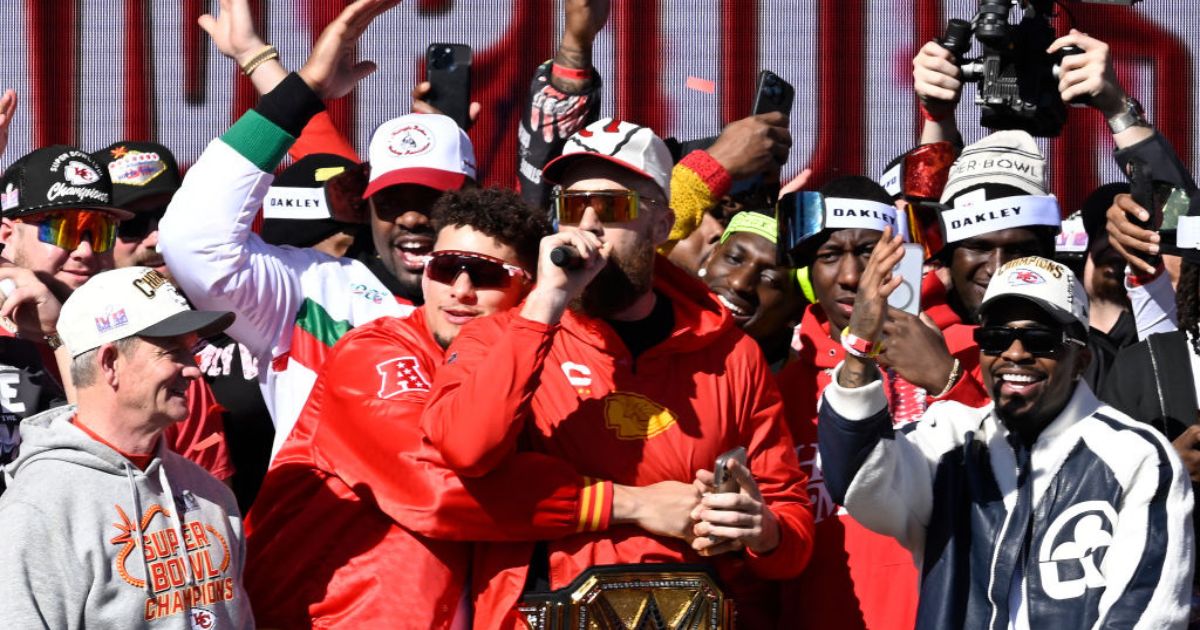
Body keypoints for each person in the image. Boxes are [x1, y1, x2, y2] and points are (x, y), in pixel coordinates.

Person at [245, 186, 700, 628]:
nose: (460, 290)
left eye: (486, 275)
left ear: (529, 288)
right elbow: (438, 492)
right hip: (325, 615)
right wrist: (630, 503)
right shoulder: (377, 350)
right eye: (444, 268)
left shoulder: (528, 367)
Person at [421, 117, 814, 628]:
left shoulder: (730, 354)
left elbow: (793, 536)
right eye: (570, 205)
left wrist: (762, 529)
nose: (587, 225)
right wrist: (544, 306)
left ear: (660, 224)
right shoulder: (500, 337)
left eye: (610, 206)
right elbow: (465, 454)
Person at [819, 242, 1193, 628]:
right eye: (996, 337)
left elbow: (1147, 617)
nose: (1014, 354)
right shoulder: (949, 440)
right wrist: (860, 347)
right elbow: (857, 480)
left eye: (1039, 340)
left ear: (1081, 359)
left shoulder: (1136, 455)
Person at [160, 0, 414, 457]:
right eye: (389, 201)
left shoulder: (516, 292)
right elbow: (195, 240)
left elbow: (323, 153)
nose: (414, 218)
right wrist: (301, 86)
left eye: (437, 198)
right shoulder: (308, 295)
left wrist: (263, 63)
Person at [0, 266, 253, 629]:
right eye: (172, 352)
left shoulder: (211, 496)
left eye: (190, 350)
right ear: (110, 363)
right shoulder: (38, 511)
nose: (194, 369)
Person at [95, 139, 237, 487]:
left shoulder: (247, 304)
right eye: (131, 225)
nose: (156, 237)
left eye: (168, 216)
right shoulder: (67, 331)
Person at [0, 144, 132, 489]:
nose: (86, 251)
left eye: (100, 230)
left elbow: (110, 464)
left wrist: (56, 335)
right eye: (64, 229)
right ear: (7, 236)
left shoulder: (138, 336)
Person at [699, 210, 804, 370]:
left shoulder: (801, 390)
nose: (739, 283)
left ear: (798, 309)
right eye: (734, 258)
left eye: (770, 279)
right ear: (711, 256)